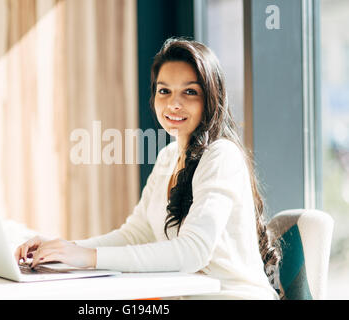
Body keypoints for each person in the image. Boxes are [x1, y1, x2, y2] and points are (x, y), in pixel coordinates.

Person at [14, 37, 282, 300]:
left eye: (190, 92)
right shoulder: (168, 157)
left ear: (211, 98)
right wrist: (63, 248)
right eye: (164, 91)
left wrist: (86, 258)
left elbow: (193, 251)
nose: (173, 104)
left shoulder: (221, 156)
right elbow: (135, 234)